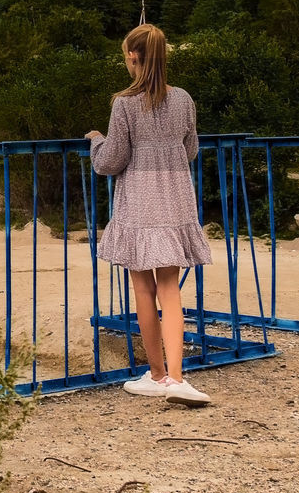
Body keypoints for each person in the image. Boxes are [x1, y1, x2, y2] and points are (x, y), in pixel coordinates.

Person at [85, 23, 214, 407]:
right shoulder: (184, 99)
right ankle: (177, 378)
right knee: (170, 290)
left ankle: (156, 375)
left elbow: (111, 162)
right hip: (176, 201)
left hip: (139, 204)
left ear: (132, 56)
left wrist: (96, 141)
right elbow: (190, 149)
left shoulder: (124, 103)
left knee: (143, 289)